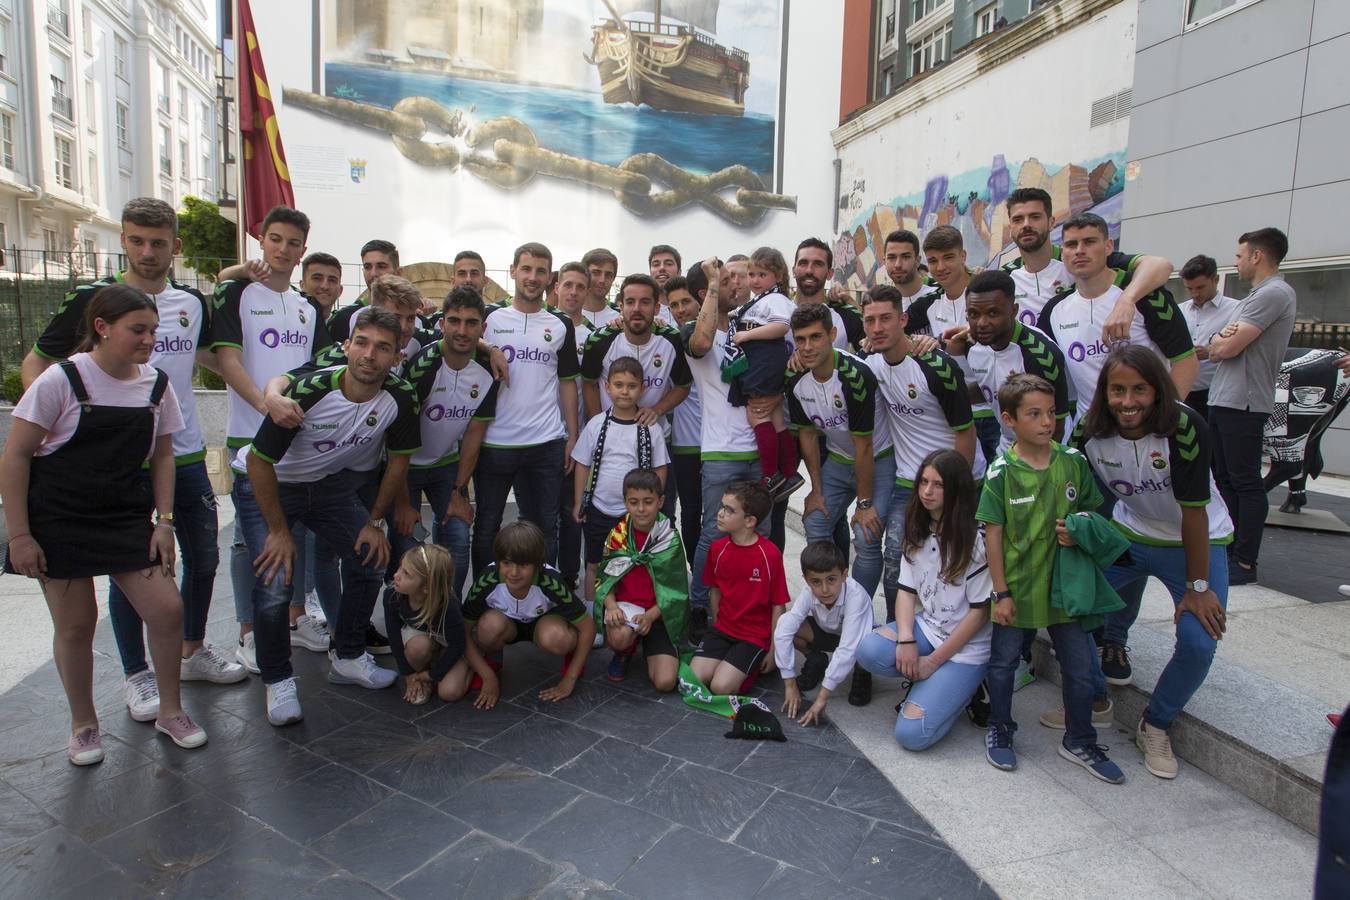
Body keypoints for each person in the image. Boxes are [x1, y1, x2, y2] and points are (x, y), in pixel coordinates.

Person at [20, 197, 242, 721]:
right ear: (122, 240)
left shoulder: (191, 303)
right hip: (116, 471)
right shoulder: (92, 299)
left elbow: (216, 358)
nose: (147, 252)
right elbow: (37, 363)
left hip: (180, 455)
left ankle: (190, 650)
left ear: (175, 247)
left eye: (158, 242)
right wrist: (63, 431)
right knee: (128, 567)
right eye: (137, 240)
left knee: (204, 558)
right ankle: (136, 674)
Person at [1, 285, 208, 762]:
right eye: (138, 330)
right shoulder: (60, 380)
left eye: (153, 331)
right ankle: (83, 724)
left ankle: (169, 710)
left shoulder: (155, 385)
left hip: (123, 516)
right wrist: (20, 535)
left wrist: (165, 521)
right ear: (102, 327)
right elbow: (14, 457)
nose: (148, 340)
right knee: (76, 626)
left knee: (166, 608)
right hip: (60, 519)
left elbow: (162, 456)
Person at [233, 307, 419, 725]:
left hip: (326, 485)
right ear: (347, 346)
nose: (370, 354)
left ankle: (349, 656)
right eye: (363, 343)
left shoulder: (401, 397)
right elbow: (261, 463)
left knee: (370, 558)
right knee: (276, 581)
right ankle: (278, 680)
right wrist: (279, 532)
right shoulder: (309, 391)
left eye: (383, 347)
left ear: (396, 356)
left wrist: (374, 522)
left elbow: (398, 463)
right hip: (266, 482)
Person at [1073, 345, 1232, 779]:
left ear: (1157, 389)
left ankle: (1156, 723)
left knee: (1200, 641)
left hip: (1194, 540)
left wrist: (1199, 588)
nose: (1128, 402)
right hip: (1131, 533)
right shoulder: (1089, 432)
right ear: (1104, 392)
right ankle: (1096, 698)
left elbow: (1194, 512)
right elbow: (1072, 486)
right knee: (1072, 606)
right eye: (1117, 390)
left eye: (1139, 389)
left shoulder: (1184, 426)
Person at [978, 374, 1125, 784]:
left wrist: (1080, 526)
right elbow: (993, 536)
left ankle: (1079, 739)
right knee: (1004, 663)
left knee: (1080, 668)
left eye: (1051, 414)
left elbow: (1095, 512)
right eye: (1034, 415)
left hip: (1067, 589)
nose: (1047, 423)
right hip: (1018, 588)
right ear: (1009, 420)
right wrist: (1001, 592)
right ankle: (1001, 728)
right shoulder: (1001, 472)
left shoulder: (1073, 462)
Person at [209, 205, 332, 673]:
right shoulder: (236, 293)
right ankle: (249, 633)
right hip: (250, 435)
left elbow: (316, 371)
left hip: (295, 439)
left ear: (303, 249)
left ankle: (294, 619)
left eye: (293, 243)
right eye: (275, 239)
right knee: (250, 542)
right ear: (262, 240)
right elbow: (228, 361)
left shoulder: (306, 307)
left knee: (292, 535)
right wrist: (267, 406)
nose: (283, 249)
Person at [855, 449, 992, 750]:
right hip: (929, 628)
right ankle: (934, 683)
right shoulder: (917, 527)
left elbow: (980, 614)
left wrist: (932, 662)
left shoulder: (977, 539)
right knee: (867, 650)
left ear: (956, 489)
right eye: (923, 482)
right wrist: (906, 639)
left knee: (911, 735)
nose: (927, 492)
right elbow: (906, 590)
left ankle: (965, 688)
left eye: (938, 484)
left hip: (965, 648)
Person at [861, 284, 979, 620]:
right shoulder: (872, 367)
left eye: (886, 318)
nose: (878, 327)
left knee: (954, 561)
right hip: (907, 481)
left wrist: (958, 489)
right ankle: (894, 629)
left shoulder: (935, 365)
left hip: (956, 479)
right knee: (896, 556)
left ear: (903, 319)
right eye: (870, 321)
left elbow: (965, 432)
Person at [473, 242, 580, 572]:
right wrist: (487, 346)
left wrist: (572, 437)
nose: (533, 277)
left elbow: (567, 383)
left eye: (541, 271)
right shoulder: (489, 318)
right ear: (513, 271)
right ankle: (483, 601)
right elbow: (449, 333)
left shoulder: (561, 324)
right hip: (495, 443)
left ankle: (540, 602)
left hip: (545, 443)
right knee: (487, 526)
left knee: (545, 528)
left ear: (550, 278)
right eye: (526, 269)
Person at [683, 258, 772, 635]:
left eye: (739, 276)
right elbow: (702, 344)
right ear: (706, 292)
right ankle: (698, 607)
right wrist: (715, 284)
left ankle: (755, 607)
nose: (738, 283)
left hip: (759, 449)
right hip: (720, 452)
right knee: (713, 532)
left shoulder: (750, 327)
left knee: (760, 535)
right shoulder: (691, 329)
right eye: (726, 278)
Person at [1206, 227, 1298, 585]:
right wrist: (1219, 340)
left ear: (1257, 256)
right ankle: (1229, 551)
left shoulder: (1274, 293)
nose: (1237, 261)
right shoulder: (1255, 296)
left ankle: (1245, 561)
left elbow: (1224, 348)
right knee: (1226, 479)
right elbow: (1217, 342)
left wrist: (1220, 341)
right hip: (1226, 398)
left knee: (1245, 481)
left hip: (1243, 402)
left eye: (1241, 255)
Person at [786, 303, 891, 599]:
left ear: (832, 334)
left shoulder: (856, 375)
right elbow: (806, 435)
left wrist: (865, 502)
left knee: (866, 535)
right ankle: (831, 600)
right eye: (800, 339)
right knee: (815, 520)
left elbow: (865, 445)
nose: (807, 347)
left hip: (877, 459)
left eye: (815, 337)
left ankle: (859, 609)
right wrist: (816, 489)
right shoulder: (794, 377)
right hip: (839, 459)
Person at [1038, 213, 1197, 407]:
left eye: (1089, 242)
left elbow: (1186, 361)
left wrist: (1166, 414)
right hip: (1091, 431)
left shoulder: (1146, 295)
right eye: (1071, 245)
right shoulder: (1054, 310)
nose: (1080, 251)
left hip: (1148, 427)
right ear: (1063, 253)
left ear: (1108, 247)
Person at [401, 285, 499, 597]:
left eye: (471, 323)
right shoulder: (422, 367)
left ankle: (448, 611)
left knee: (457, 537)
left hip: (445, 467)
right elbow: (396, 438)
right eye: (454, 321)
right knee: (408, 544)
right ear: (442, 324)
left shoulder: (487, 370)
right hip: (404, 470)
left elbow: (474, 434)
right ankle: (410, 617)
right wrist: (402, 500)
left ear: (482, 328)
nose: (462, 330)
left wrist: (459, 491)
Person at [580, 272, 691, 520]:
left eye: (645, 302)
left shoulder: (672, 340)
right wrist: (602, 425)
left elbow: (683, 386)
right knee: (603, 517)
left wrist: (658, 409)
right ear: (620, 306)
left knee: (661, 516)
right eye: (630, 302)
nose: (637, 309)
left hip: (656, 441)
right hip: (609, 445)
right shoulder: (599, 340)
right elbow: (588, 384)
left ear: (657, 307)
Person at [1000, 188, 1176, 336]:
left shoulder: (1080, 259)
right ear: (1010, 228)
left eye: (1035, 217)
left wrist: (1127, 300)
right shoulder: (1005, 276)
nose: (1026, 225)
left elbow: (1160, 265)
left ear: (1051, 222)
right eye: (1018, 219)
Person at [572, 356, 671, 609]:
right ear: (607, 387)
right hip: (599, 508)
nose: (624, 391)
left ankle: (629, 609)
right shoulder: (596, 425)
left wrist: (654, 506)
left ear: (643, 388)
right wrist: (578, 503)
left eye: (631, 385)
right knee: (594, 563)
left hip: (635, 514)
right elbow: (583, 464)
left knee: (633, 563)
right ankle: (595, 615)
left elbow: (660, 467)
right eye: (618, 384)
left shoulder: (651, 428)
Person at [461, 521, 596, 702]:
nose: (514, 572)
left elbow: (588, 628)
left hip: (544, 624)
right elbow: (464, 630)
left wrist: (569, 679)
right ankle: (491, 662)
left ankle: (572, 661)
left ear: (538, 564)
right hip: (506, 624)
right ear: (498, 561)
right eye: (507, 563)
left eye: (523, 564)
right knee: (487, 627)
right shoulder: (488, 580)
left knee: (557, 637)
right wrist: (487, 677)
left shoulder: (551, 582)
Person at [945, 269, 1070, 453]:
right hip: (1007, 446)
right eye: (973, 314)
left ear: (1013, 310)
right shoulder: (972, 345)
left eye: (993, 313)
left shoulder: (1040, 355)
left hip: (1045, 448)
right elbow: (987, 387)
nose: (982, 323)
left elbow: (1056, 423)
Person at [594, 468, 688, 689]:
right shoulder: (618, 535)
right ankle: (624, 651)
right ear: (625, 502)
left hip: (658, 613)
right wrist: (611, 606)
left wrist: (651, 616)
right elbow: (604, 578)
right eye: (634, 502)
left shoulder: (669, 539)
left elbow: (677, 589)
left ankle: (653, 645)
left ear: (660, 501)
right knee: (619, 637)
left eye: (648, 501)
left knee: (665, 683)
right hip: (627, 611)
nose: (641, 509)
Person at [693, 481, 789, 695]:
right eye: (722, 507)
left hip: (753, 635)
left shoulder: (770, 554)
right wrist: (717, 624)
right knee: (696, 678)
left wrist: (774, 651)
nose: (720, 514)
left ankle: (750, 668)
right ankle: (729, 662)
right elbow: (715, 590)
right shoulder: (718, 548)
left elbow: (778, 606)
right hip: (723, 630)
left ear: (749, 521)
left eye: (729, 510)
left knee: (720, 687)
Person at [724, 246, 799, 498]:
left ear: (777, 276)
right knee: (776, 419)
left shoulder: (777, 300)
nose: (755, 280)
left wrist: (747, 334)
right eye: (752, 274)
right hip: (759, 361)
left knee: (757, 415)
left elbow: (781, 326)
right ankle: (789, 473)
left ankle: (770, 476)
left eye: (762, 275)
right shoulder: (759, 300)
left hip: (765, 361)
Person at [777, 541, 875, 724]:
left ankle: (862, 671)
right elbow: (785, 629)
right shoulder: (809, 592)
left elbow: (847, 648)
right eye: (816, 581)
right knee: (786, 622)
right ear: (806, 580)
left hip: (856, 638)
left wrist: (821, 698)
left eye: (831, 579)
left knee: (866, 647)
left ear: (844, 575)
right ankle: (815, 658)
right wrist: (789, 683)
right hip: (827, 633)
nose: (824, 589)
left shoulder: (856, 597)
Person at [384, 543, 493, 707]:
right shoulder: (392, 595)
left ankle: (470, 663)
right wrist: (409, 674)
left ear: (427, 587)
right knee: (416, 648)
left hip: (450, 644)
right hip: (426, 638)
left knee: (449, 692)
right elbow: (394, 637)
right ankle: (422, 675)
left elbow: (457, 645)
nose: (396, 575)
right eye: (400, 568)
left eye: (406, 574)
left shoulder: (448, 608)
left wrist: (433, 675)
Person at [554, 262, 593, 590]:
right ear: (556, 287)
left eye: (580, 286)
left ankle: (567, 579)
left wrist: (580, 435)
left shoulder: (593, 337)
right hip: (541, 435)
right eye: (568, 285)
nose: (573, 292)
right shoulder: (545, 327)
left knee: (571, 513)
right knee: (539, 516)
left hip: (576, 437)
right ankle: (540, 577)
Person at [664, 276, 704, 563]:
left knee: (719, 517)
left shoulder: (718, 336)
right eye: (674, 304)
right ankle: (697, 580)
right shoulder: (668, 340)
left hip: (721, 445)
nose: (680, 309)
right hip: (686, 444)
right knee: (690, 512)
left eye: (686, 302)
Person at [1177, 254, 1241, 420]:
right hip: (1181, 391)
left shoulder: (1236, 309)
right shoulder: (1180, 310)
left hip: (1216, 393)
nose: (1195, 294)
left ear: (1216, 279)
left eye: (1200, 287)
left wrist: (1210, 352)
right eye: (1189, 289)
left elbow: (1240, 348)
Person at [793, 238, 866, 351]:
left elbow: (872, 354)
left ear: (830, 274)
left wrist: (852, 304)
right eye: (803, 263)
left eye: (818, 264)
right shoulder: (776, 310)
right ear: (793, 270)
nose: (809, 270)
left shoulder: (845, 315)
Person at [325, 239, 402, 342]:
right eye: (367, 267)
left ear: (398, 273)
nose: (373, 273)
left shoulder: (412, 316)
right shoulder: (343, 318)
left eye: (381, 266)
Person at [880, 229, 929, 309]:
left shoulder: (939, 297)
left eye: (905, 257)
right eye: (892, 257)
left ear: (917, 261)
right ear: (885, 261)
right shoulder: (881, 304)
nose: (898, 265)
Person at [581, 248, 622, 328]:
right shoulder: (565, 316)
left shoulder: (621, 317)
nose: (602, 280)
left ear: (613, 278)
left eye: (608, 275)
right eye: (596, 273)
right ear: (584, 275)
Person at [300, 251, 345, 321]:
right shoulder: (286, 325)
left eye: (332, 280)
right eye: (317, 278)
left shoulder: (351, 328)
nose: (325, 286)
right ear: (302, 285)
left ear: (340, 290)